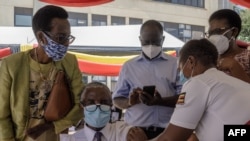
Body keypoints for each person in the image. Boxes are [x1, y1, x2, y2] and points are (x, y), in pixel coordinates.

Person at [0, 5, 84, 141]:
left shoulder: (70, 63)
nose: (67, 43)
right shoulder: (11, 65)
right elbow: (2, 115)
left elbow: (81, 105)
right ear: (41, 37)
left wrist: (52, 126)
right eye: (61, 37)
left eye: (69, 37)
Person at [152, 39, 250, 141]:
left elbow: (169, 139)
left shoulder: (198, 82)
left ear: (191, 62)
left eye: (180, 68)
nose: (180, 74)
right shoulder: (225, 82)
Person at [112, 19, 182, 139]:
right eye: (146, 42)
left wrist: (160, 101)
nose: (150, 46)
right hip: (135, 131)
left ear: (163, 39)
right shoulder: (129, 66)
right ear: (140, 40)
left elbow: (184, 99)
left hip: (168, 132)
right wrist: (130, 102)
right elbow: (117, 99)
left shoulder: (175, 64)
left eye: (155, 42)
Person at [60, 81, 147, 141]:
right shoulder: (72, 139)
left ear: (111, 105)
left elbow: (132, 133)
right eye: (91, 102)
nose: (98, 106)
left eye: (104, 102)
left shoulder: (122, 132)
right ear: (82, 106)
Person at [206, 9, 250, 83]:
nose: (213, 36)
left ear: (234, 32)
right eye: (211, 33)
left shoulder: (247, 57)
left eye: (218, 31)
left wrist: (234, 66)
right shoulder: (208, 60)